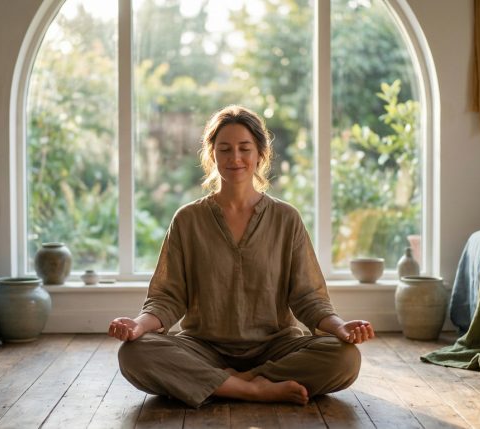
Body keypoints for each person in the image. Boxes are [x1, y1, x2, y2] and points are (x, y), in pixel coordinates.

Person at [108, 105, 375, 407]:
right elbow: (167, 298)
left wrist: (340, 327)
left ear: (260, 153)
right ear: (212, 156)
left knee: (345, 357)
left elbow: (308, 297)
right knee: (134, 353)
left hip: (276, 347)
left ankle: (226, 383)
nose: (235, 158)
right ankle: (255, 389)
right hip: (202, 347)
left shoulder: (286, 218)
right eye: (224, 149)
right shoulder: (188, 219)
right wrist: (137, 326)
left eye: (244, 148)